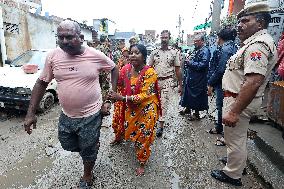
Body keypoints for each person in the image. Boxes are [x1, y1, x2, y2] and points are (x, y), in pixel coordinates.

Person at [23, 20, 119, 189]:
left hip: (91, 114)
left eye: (69, 37)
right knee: (67, 144)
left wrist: (110, 96)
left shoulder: (95, 55)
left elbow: (113, 68)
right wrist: (31, 113)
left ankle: (87, 175)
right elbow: (41, 83)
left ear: (81, 37)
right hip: (66, 114)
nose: (64, 41)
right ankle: (91, 145)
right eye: (61, 37)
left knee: (88, 148)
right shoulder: (53, 56)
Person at [211, 3, 277, 186]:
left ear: (260, 23)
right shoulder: (252, 43)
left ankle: (233, 174)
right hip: (237, 98)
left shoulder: (258, 45)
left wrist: (234, 111)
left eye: (245, 21)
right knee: (237, 137)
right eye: (239, 21)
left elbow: (253, 81)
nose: (239, 25)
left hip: (238, 100)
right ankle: (237, 164)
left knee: (234, 139)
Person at [108, 44, 161, 176]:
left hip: (147, 108)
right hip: (131, 106)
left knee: (143, 135)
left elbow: (143, 96)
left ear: (144, 56)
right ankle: (120, 138)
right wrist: (112, 90)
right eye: (131, 53)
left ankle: (142, 162)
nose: (132, 55)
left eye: (137, 53)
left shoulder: (150, 72)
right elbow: (118, 83)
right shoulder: (125, 69)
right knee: (131, 130)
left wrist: (121, 97)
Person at [148, 30, 182, 137]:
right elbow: (149, 68)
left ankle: (160, 126)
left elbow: (177, 69)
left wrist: (181, 84)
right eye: (162, 38)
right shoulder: (154, 52)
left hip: (168, 80)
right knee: (153, 102)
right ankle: (152, 121)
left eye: (166, 37)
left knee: (164, 103)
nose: (164, 39)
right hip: (155, 81)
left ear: (169, 38)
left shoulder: (174, 52)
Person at [207, 28, 238, 136]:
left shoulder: (225, 49)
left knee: (222, 107)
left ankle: (222, 131)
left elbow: (220, 70)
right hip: (232, 83)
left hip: (223, 83)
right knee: (225, 106)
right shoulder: (235, 47)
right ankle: (222, 129)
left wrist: (210, 83)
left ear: (219, 38)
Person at [180, 34, 211, 120]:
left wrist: (190, 63)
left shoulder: (205, 51)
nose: (195, 42)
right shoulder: (196, 50)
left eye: (196, 41)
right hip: (191, 77)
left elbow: (203, 64)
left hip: (199, 79)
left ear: (202, 41)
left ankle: (196, 113)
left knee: (196, 96)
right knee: (188, 94)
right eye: (194, 41)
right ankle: (187, 109)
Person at [110, 47, 130, 144]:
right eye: (124, 55)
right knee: (117, 117)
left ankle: (128, 135)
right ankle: (118, 137)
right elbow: (115, 78)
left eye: (127, 55)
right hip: (119, 95)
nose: (125, 57)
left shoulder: (133, 66)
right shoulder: (119, 63)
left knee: (128, 117)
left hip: (129, 96)